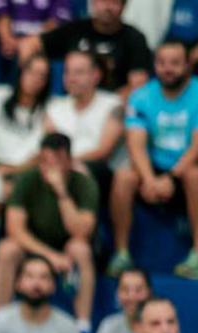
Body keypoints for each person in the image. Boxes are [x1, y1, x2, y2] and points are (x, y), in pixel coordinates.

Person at [107, 40, 198, 280]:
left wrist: (170, 178)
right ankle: (122, 254)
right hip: (153, 168)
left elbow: (196, 148)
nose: (168, 69)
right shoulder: (141, 96)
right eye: (161, 63)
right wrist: (149, 180)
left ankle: (197, 255)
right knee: (124, 176)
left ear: (188, 64)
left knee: (195, 175)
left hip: (185, 169)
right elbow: (135, 144)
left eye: (175, 63)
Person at [0, 133, 98, 332]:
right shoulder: (27, 180)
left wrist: (62, 192)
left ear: (69, 161)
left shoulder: (84, 184)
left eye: (56, 161)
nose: (49, 167)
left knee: (81, 249)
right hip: (32, 246)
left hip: (68, 248)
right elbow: (15, 230)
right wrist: (50, 256)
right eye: (44, 161)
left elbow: (81, 232)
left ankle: (83, 327)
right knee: (6, 249)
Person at [25, 0, 149, 99]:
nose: (108, 7)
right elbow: (29, 45)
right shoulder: (75, 30)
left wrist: (107, 105)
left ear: (124, 6)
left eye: (114, 2)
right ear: (93, 3)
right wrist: (35, 77)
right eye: (103, 1)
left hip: (112, 105)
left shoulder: (134, 38)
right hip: (70, 103)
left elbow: (137, 85)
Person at [43, 51, 123, 193]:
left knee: (77, 172)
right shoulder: (54, 106)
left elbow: (103, 152)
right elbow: (51, 146)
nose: (71, 78)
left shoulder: (113, 104)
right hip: (61, 167)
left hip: (99, 171)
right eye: (67, 72)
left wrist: (67, 163)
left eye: (79, 72)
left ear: (96, 75)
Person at [0, 0, 70, 61]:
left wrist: (29, 42)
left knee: (27, 49)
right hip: (14, 40)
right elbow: (2, 17)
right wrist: (6, 39)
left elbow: (54, 23)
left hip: (41, 41)